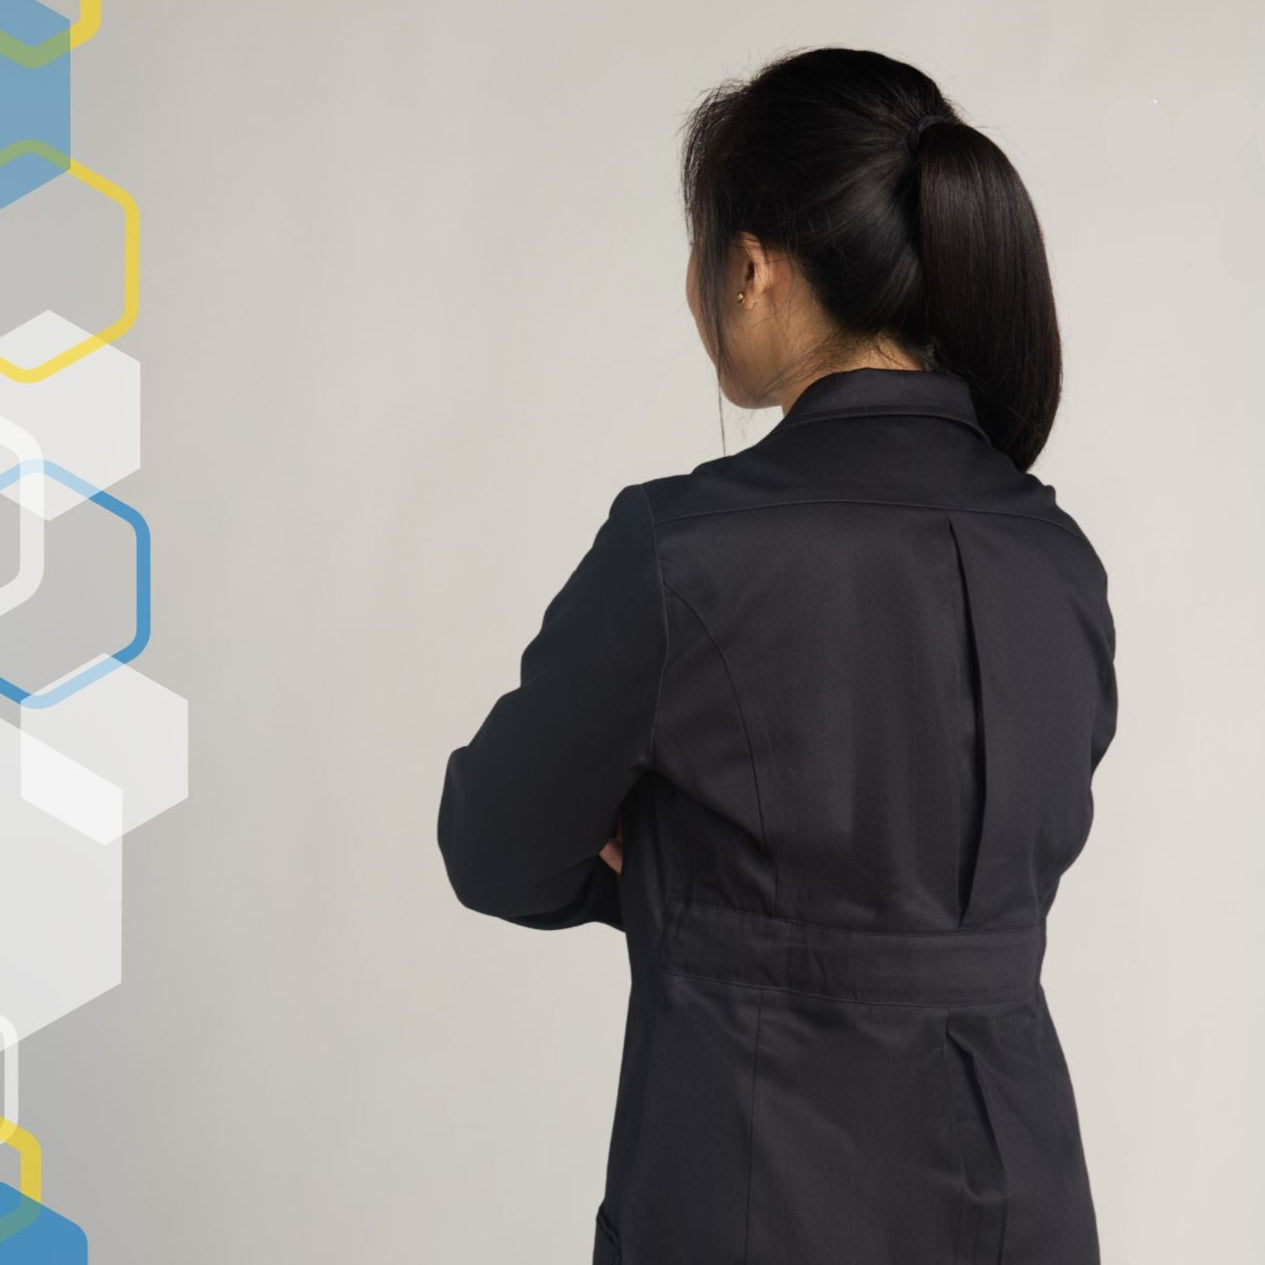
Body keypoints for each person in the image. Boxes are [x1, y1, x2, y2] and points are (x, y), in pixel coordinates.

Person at [437, 45, 1118, 1265]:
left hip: (752, 1195)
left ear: (749, 265)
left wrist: (663, 860)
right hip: (1023, 1197)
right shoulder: (1055, 557)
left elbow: (492, 844)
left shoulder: (680, 549)